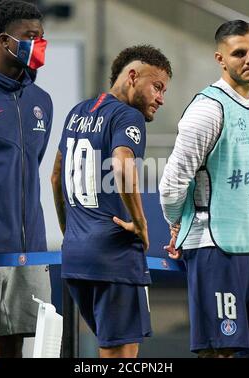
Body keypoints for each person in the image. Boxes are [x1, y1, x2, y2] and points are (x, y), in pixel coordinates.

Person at [159, 20, 249, 358]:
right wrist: (175, 223)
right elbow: (172, 183)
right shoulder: (207, 110)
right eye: (239, 53)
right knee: (219, 350)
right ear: (221, 59)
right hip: (216, 247)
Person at [52, 45, 172, 358]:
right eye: (156, 87)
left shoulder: (78, 111)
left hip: (76, 258)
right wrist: (142, 223)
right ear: (132, 76)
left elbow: (55, 177)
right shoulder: (127, 115)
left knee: (108, 348)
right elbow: (122, 165)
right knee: (120, 355)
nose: (161, 98)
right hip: (113, 258)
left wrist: (71, 233)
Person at [0, 0, 52, 358]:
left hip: (29, 243)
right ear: (4, 41)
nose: (39, 44)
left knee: (16, 339)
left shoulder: (41, 100)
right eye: (31, 37)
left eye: (41, 36)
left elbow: (31, 164)